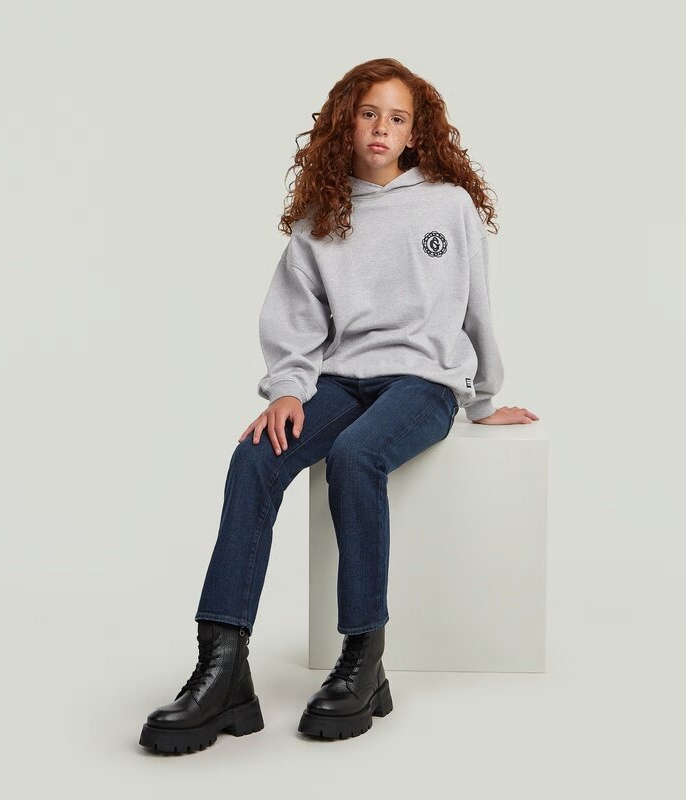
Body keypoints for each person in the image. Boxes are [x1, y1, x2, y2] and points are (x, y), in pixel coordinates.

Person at [139, 57, 539, 755]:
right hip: (341, 382)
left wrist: (483, 401)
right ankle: (223, 667)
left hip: (422, 383)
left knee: (357, 458)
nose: (381, 127)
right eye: (368, 113)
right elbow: (295, 321)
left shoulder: (448, 205)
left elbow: (477, 310)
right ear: (345, 123)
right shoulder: (321, 217)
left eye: (397, 117)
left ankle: (363, 659)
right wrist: (287, 390)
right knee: (254, 457)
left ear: (415, 134)